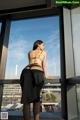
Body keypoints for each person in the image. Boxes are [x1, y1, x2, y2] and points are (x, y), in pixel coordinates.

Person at [20, 40, 47, 120]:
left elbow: (30, 63)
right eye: (43, 45)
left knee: (26, 99)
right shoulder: (44, 53)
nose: (44, 46)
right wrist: (46, 75)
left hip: (26, 71)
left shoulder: (30, 52)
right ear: (38, 45)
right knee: (36, 98)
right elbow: (44, 66)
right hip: (37, 71)